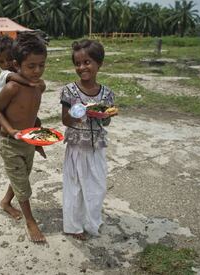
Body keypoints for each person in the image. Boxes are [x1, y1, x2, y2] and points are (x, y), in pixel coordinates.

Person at [0, 32, 47, 243]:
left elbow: (32, 116)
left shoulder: (37, 87)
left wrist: (38, 142)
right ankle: (31, 222)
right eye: (31, 66)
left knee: (20, 177)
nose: (37, 71)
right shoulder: (12, 86)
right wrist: (10, 130)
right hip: (11, 141)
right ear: (18, 65)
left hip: (28, 141)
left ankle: (6, 202)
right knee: (22, 183)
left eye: (41, 65)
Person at [60, 39, 115, 240]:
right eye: (77, 63)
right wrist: (80, 110)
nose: (82, 67)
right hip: (76, 147)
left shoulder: (107, 94)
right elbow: (65, 120)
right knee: (74, 187)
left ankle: (91, 221)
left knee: (96, 187)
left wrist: (105, 116)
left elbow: (106, 123)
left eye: (87, 62)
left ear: (99, 63)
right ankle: (73, 226)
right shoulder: (69, 91)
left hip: (96, 147)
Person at [0, 35, 45, 155]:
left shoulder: (23, 69)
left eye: (9, 59)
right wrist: (31, 83)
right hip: (5, 111)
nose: (6, 64)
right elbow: (16, 78)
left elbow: (39, 88)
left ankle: (38, 145)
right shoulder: (5, 74)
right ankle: (3, 152)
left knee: (37, 123)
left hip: (20, 110)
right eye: (1, 61)